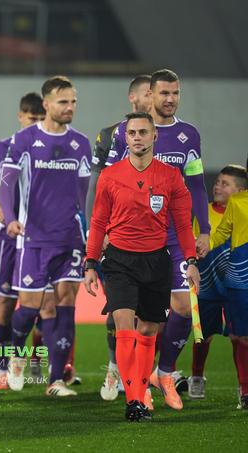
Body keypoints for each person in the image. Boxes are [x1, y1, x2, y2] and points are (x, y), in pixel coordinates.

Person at [84, 111, 200, 422]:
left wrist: (190, 260)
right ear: (125, 138)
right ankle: (134, 400)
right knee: (124, 327)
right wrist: (90, 262)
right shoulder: (109, 177)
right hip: (120, 261)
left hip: (157, 261)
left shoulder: (170, 176)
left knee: (148, 330)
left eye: (143, 132)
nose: (137, 137)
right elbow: (97, 223)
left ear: (154, 136)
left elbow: (183, 225)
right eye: (132, 133)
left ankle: (143, 387)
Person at [105, 68, 210, 410]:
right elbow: (108, 181)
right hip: (134, 236)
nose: (170, 99)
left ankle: (163, 373)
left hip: (175, 237)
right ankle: (137, 385)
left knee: (180, 307)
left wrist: (204, 229)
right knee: (135, 317)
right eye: (163, 93)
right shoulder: (129, 133)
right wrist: (104, 230)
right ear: (149, 94)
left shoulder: (189, 136)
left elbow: (195, 186)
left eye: (175, 93)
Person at [0, 75, 91, 397]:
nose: (70, 107)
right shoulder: (23, 140)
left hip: (70, 240)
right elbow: (7, 184)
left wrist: (88, 229)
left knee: (66, 303)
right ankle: (15, 358)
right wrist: (10, 219)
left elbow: (83, 195)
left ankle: (56, 380)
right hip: (33, 240)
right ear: (47, 104)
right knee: (28, 308)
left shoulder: (81, 143)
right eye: (63, 101)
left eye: (73, 101)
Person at [88, 74, 153, 401]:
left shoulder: (167, 137)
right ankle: (116, 368)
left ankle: (147, 372)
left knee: (153, 313)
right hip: (117, 238)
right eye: (147, 94)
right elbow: (97, 185)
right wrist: (95, 233)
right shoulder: (109, 135)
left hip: (156, 240)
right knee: (120, 307)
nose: (153, 98)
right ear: (133, 98)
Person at [0, 92, 45, 389]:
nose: (36, 125)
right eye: (32, 119)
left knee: (45, 307)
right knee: (6, 305)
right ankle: (3, 369)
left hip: (43, 240)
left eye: (41, 119)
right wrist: (5, 218)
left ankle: (42, 366)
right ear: (20, 116)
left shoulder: (52, 150)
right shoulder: (1, 149)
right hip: (11, 239)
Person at [188, 165, 247, 399]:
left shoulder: (241, 210)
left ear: (240, 190)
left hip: (236, 284)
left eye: (225, 183)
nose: (217, 186)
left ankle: (243, 386)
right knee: (203, 336)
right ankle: (196, 375)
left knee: (239, 336)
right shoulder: (203, 215)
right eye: (217, 182)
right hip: (208, 286)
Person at [208, 161, 248, 410]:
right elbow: (222, 232)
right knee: (240, 336)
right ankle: (245, 390)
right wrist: (200, 247)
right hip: (240, 278)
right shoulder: (237, 202)